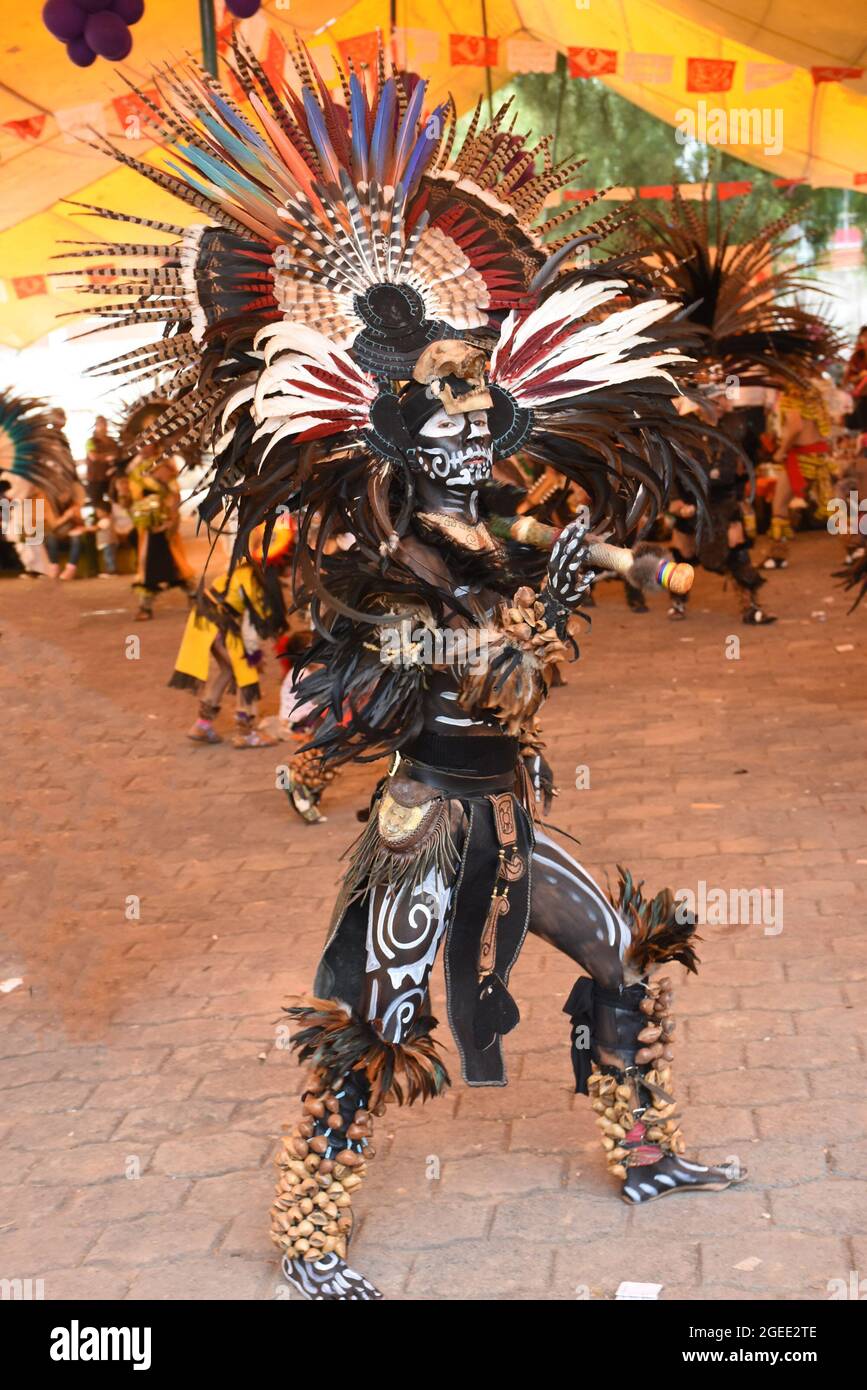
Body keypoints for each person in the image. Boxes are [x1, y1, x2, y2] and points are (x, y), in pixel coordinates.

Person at [66, 39, 758, 1304]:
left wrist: (600, 585)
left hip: (507, 814)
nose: (468, 429)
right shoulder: (384, 547)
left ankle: (644, 1149)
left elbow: (541, 556)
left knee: (617, 954)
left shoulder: (498, 523)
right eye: (442, 410)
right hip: (424, 826)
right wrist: (493, 645)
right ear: (393, 420)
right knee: (371, 1025)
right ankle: (312, 1239)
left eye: (481, 410)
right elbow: (377, 656)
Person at [763, 378, 833, 569]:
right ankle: (856, 548)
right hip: (818, 453)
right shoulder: (813, 394)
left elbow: (795, 427)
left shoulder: (791, 394)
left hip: (802, 457)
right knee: (831, 503)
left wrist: (781, 451)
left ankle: (777, 555)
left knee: (779, 505)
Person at [127, 448, 194, 618]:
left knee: (175, 563)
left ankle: (194, 597)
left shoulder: (163, 465)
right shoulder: (135, 470)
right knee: (146, 565)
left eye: (146, 443)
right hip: (145, 526)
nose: (142, 448)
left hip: (163, 523)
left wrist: (171, 518)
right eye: (140, 444)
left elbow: (175, 494)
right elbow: (131, 499)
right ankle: (145, 607)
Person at [84, 415, 120, 510]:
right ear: (96, 425)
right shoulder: (90, 441)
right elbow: (93, 457)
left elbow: (117, 454)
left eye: (105, 424)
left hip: (110, 478)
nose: (103, 426)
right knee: (96, 506)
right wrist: (108, 456)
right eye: (100, 424)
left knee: (114, 503)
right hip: (95, 479)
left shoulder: (112, 441)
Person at [843, 326, 867, 433]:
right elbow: (849, 379)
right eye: (865, 336)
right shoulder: (857, 356)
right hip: (863, 398)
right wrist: (861, 376)